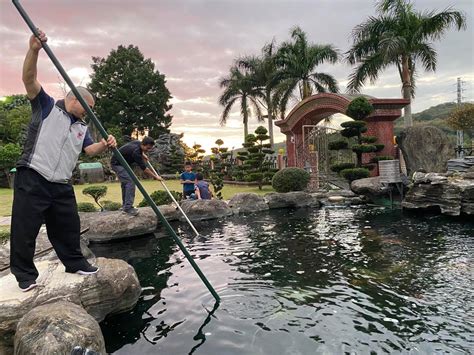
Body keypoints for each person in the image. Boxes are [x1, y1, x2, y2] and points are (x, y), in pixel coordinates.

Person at [10, 30, 117, 292]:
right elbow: (29, 78)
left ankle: (75, 263)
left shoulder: (82, 126)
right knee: (25, 230)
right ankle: (25, 276)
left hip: (60, 183)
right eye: (87, 106)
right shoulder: (46, 106)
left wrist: (105, 144)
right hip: (33, 175)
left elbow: (89, 151)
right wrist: (34, 50)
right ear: (72, 99)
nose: (90, 111)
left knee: (69, 227)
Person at [111, 137, 162, 216]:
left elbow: (138, 150)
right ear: (143, 144)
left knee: (125, 183)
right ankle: (128, 208)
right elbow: (145, 169)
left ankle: (125, 206)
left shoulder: (138, 143)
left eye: (150, 148)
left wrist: (143, 154)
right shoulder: (136, 153)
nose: (148, 150)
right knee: (130, 183)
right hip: (117, 164)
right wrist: (156, 177)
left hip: (122, 163)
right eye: (147, 148)